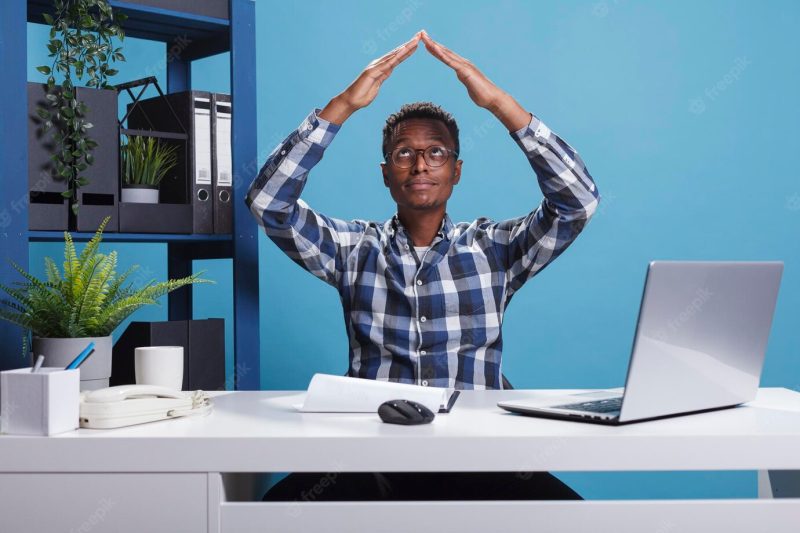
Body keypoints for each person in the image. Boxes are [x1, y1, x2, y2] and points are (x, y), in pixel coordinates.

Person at [247, 30, 599, 501]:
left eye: (436, 152)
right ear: (386, 173)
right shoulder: (353, 249)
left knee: (572, 517)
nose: (420, 165)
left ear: (455, 170)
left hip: (480, 456)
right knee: (273, 511)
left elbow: (577, 203)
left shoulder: (495, 248)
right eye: (403, 154)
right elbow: (269, 203)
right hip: (372, 457)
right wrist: (343, 106)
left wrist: (499, 105)